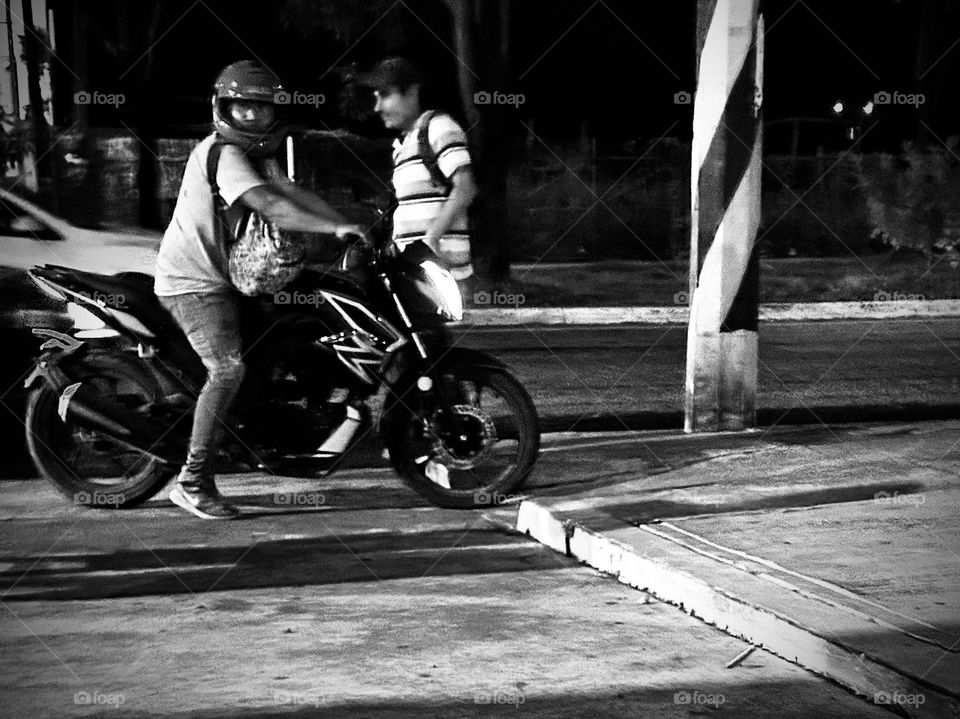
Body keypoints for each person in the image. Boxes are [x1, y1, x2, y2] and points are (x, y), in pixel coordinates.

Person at [154, 60, 364, 519]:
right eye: (242, 107)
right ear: (223, 107)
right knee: (227, 370)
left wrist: (346, 223)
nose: (252, 116)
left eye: (261, 108)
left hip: (225, 279)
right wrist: (334, 229)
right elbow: (274, 209)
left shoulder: (257, 155)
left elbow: (289, 192)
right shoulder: (224, 154)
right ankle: (191, 481)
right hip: (194, 285)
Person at [359, 56, 478, 279]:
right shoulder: (401, 147)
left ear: (412, 92)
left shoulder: (438, 127)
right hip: (416, 277)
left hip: (442, 275)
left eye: (385, 95)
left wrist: (432, 238)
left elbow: (466, 187)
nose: (377, 107)